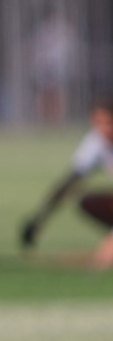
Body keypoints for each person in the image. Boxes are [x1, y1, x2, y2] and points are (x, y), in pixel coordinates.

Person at [20, 98, 113, 268]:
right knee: (89, 203)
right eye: (97, 123)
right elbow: (69, 183)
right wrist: (40, 219)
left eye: (107, 122)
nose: (102, 128)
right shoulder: (97, 142)